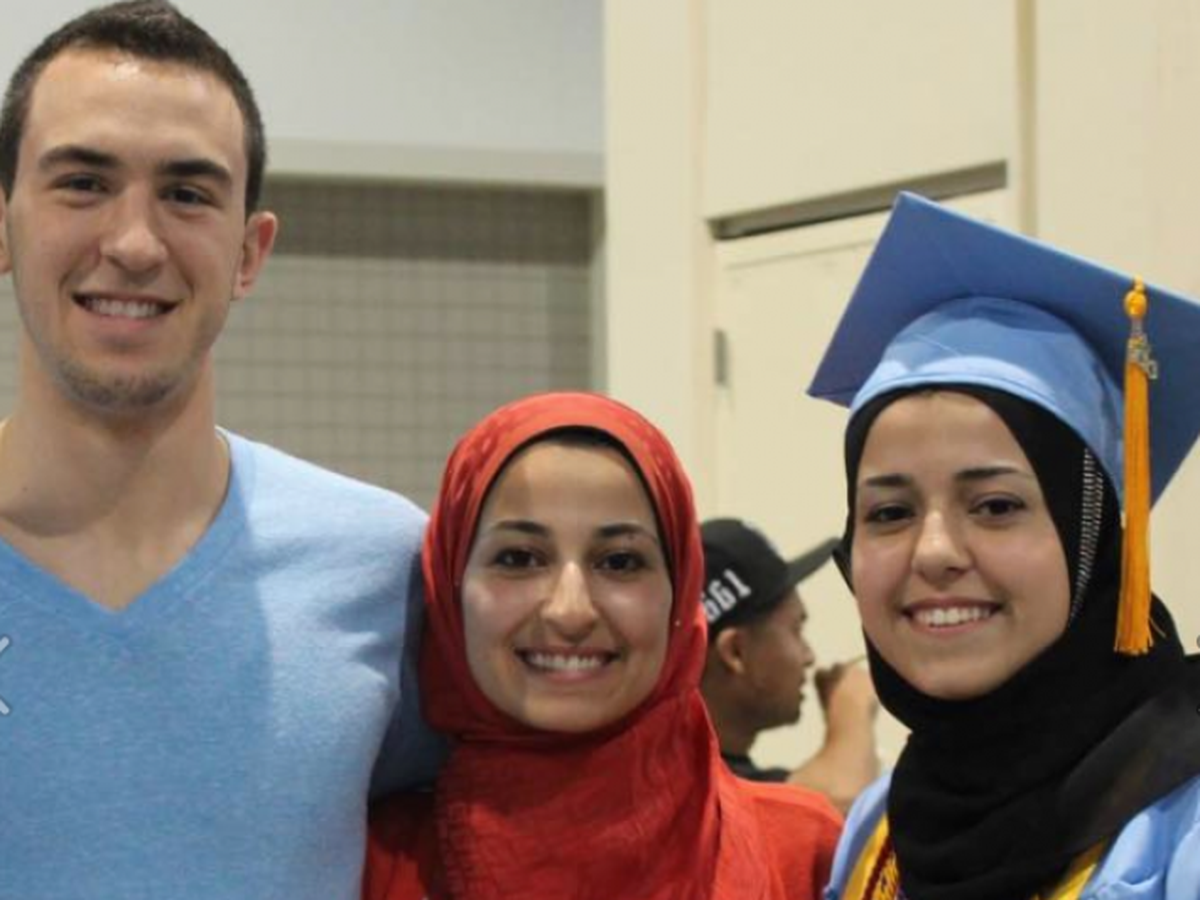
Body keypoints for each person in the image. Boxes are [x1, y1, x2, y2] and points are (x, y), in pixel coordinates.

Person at [0, 3, 440, 897]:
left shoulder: (387, 569)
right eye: (82, 182)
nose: (133, 243)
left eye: (187, 194)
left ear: (249, 252)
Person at [809, 193, 1200, 899]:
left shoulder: (1182, 825)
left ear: (1091, 540)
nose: (934, 551)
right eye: (889, 512)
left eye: (996, 506)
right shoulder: (879, 829)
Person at [364, 392, 843, 900]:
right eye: (519, 558)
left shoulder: (804, 855)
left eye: (619, 562)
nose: (570, 611)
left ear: (680, 594)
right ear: (451, 588)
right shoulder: (364, 866)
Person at [699, 518, 879, 811]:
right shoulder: (691, 788)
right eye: (795, 629)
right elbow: (842, 800)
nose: (809, 656)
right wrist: (850, 707)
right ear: (736, 652)